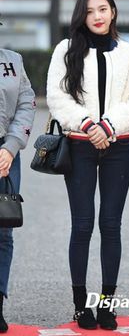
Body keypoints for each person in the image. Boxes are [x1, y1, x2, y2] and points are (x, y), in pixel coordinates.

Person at [46, 0, 129, 331]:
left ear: (114, 12)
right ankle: (80, 306)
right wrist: (89, 125)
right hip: (80, 145)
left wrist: (108, 125)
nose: (98, 16)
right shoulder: (66, 50)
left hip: (119, 146)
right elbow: (57, 97)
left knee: (111, 226)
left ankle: (106, 305)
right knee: (83, 225)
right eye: (90, 11)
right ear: (82, 16)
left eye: (103, 9)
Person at [0, 29, 36, 331]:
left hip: (6, 155)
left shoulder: (13, 62)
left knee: (3, 230)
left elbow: (26, 105)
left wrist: (10, 148)